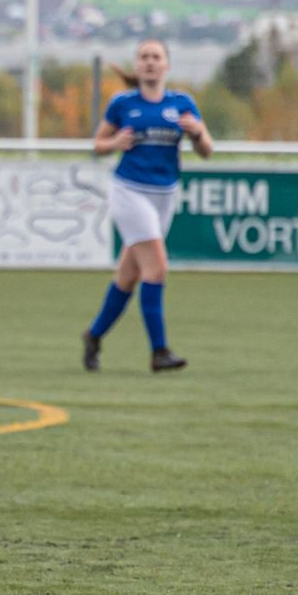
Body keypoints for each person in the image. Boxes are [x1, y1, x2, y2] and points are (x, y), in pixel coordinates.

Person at [81, 39, 214, 373]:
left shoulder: (182, 103)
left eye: (156, 57)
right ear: (137, 65)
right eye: (144, 57)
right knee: (157, 269)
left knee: (128, 277)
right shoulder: (123, 103)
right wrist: (115, 142)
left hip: (164, 195)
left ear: (167, 65)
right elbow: (98, 145)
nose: (150, 62)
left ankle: (94, 336)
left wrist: (197, 133)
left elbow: (207, 151)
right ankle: (159, 351)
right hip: (129, 191)